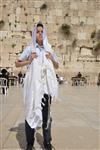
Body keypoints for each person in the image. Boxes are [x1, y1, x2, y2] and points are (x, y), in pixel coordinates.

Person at [15, 21, 59, 150]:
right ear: (35, 34)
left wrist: (51, 58)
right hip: (33, 89)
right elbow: (17, 63)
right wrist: (30, 59)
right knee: (30, 113)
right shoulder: (30, 49)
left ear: (44, 34)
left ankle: (47, 143)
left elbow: (57, 66)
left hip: (45, 90)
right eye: (37, 32)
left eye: (42, 32)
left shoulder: (49, 49)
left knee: (46, 117)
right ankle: (29, 144)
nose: (40, 34)